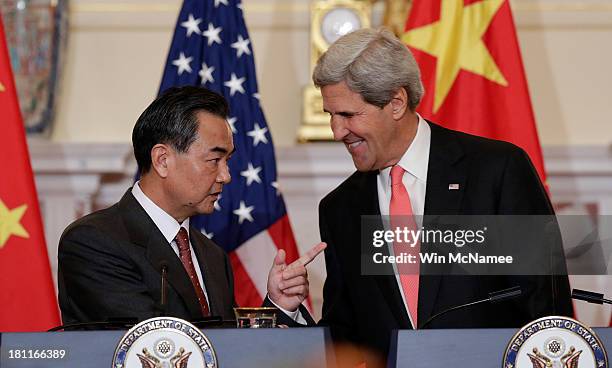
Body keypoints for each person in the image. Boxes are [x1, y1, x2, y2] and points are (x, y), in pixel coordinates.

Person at [313, 28, 572, 366]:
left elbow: (546, 308)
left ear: (396, 103)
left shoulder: (496, 171)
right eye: (330, 115)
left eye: (348, 115)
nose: (336, 132)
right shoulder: (340, 208)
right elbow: (344, 333)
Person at [58, 86, 325, 327]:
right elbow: (158, 347)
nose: (226, 176)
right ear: (162, 160)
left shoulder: (211, 254)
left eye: (227, 160)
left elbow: (228, 345)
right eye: (214, 160)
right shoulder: (93, 242)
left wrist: (278, 306)